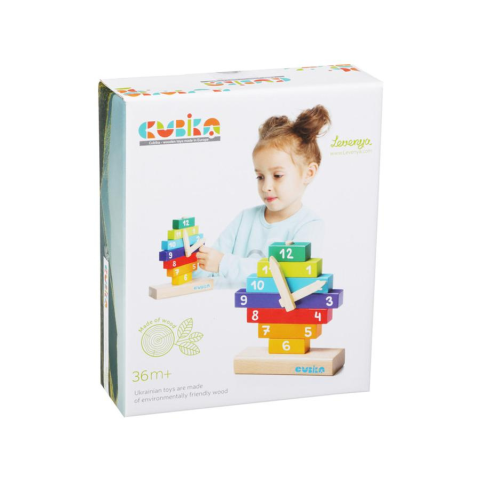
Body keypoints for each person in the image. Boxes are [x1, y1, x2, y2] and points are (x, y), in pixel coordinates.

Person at [195, 104, 331, 287]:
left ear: (309, 173)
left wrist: (224, 263)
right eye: (260, 177)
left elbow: (286, 278)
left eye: (278, 176)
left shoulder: (309, 226)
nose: (266, 187)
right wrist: (194, 260)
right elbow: (208, 271)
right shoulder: (244, 219)